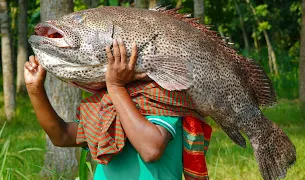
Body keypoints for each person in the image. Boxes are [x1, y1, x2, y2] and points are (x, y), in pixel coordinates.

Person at [24, 39, 185, 179]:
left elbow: (151, 150)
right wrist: (34, 89)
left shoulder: (165, 96)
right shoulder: (106, 102)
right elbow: (62, 136)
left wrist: (116, 86)